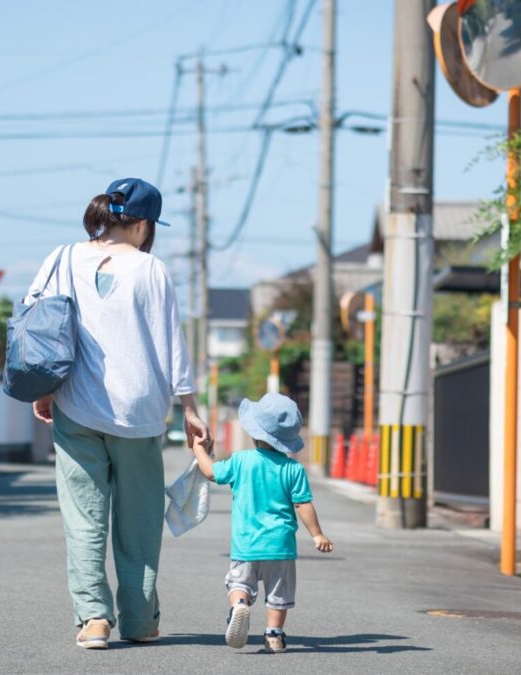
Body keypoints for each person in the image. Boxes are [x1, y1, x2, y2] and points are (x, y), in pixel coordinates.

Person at [28, 177, 211, 650]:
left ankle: (92, 619)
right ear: (145, 223)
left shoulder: (61, 258)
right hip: (141, 411)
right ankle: (139, 618)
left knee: (84, 519)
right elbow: (173, 344)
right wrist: (190, 409)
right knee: (140, 520)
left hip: (76, 406)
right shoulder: (151, 270)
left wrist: (45, 387)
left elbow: (37, 324)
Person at [189, 392, 333, 653]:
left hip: (246, 543)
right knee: (279, 594)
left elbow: (211, 472)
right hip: (280, 545)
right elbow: (303, 504)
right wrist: (317, 535)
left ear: (254, 433)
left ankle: (240, 605)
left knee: (238, 583)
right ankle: (274, 636)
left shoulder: (241, 460)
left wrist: (199, 450)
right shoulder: (293, 469)